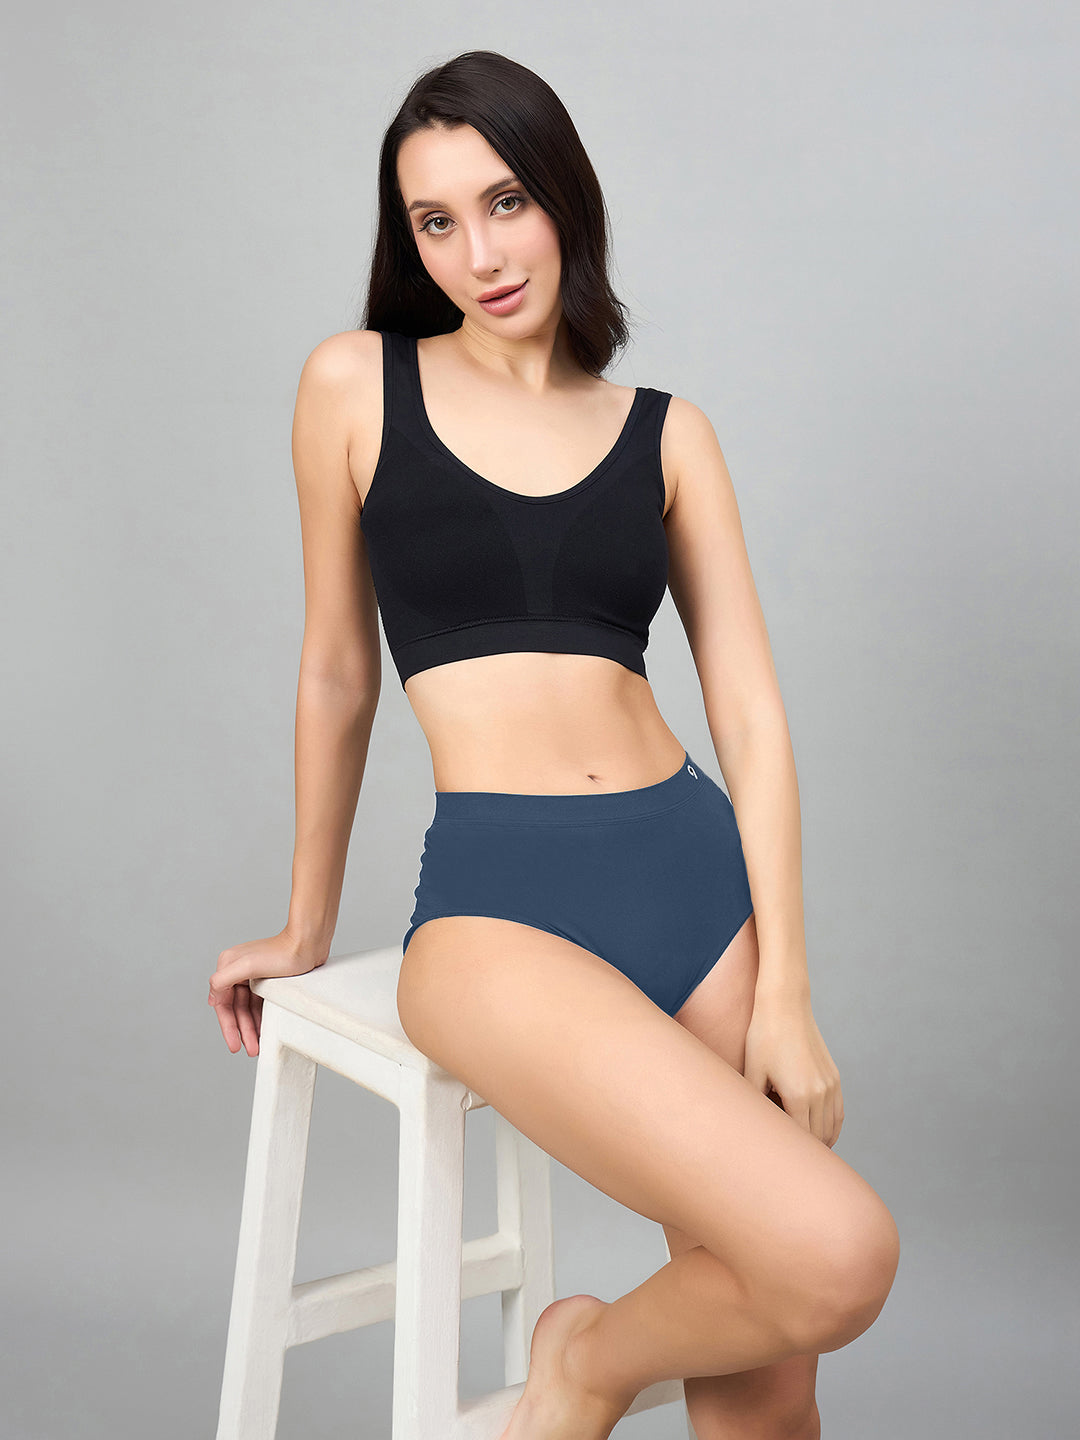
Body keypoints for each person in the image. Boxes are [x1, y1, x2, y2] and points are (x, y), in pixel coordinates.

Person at [208, 49, 899, 1440]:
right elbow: (337, 673)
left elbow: (751, 717)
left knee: (775, 1374)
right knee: (833, 1257)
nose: (478, 252)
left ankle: (588, 1361)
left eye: (505, 201)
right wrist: (305, 920)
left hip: (690, 875)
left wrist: (787, 990)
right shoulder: (355, 386)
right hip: (499, 898)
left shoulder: (669, 436)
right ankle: (583, 1368)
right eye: (435, 221)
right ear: (408, 242)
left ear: (563, 198)